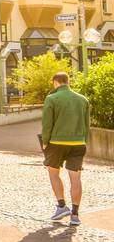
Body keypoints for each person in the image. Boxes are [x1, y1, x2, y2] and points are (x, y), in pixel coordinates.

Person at [42, 72, 91, 227]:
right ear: (68, 82)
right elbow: (86, 124)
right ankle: (75, 215)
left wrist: (45, 141)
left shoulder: (51, 99)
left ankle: (62, 206)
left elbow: (47, 124)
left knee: (53, 172)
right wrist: (84, 141)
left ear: (55, 82)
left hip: (56, 143)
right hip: (78, 143)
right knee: (76, 178)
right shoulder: (83, 100)